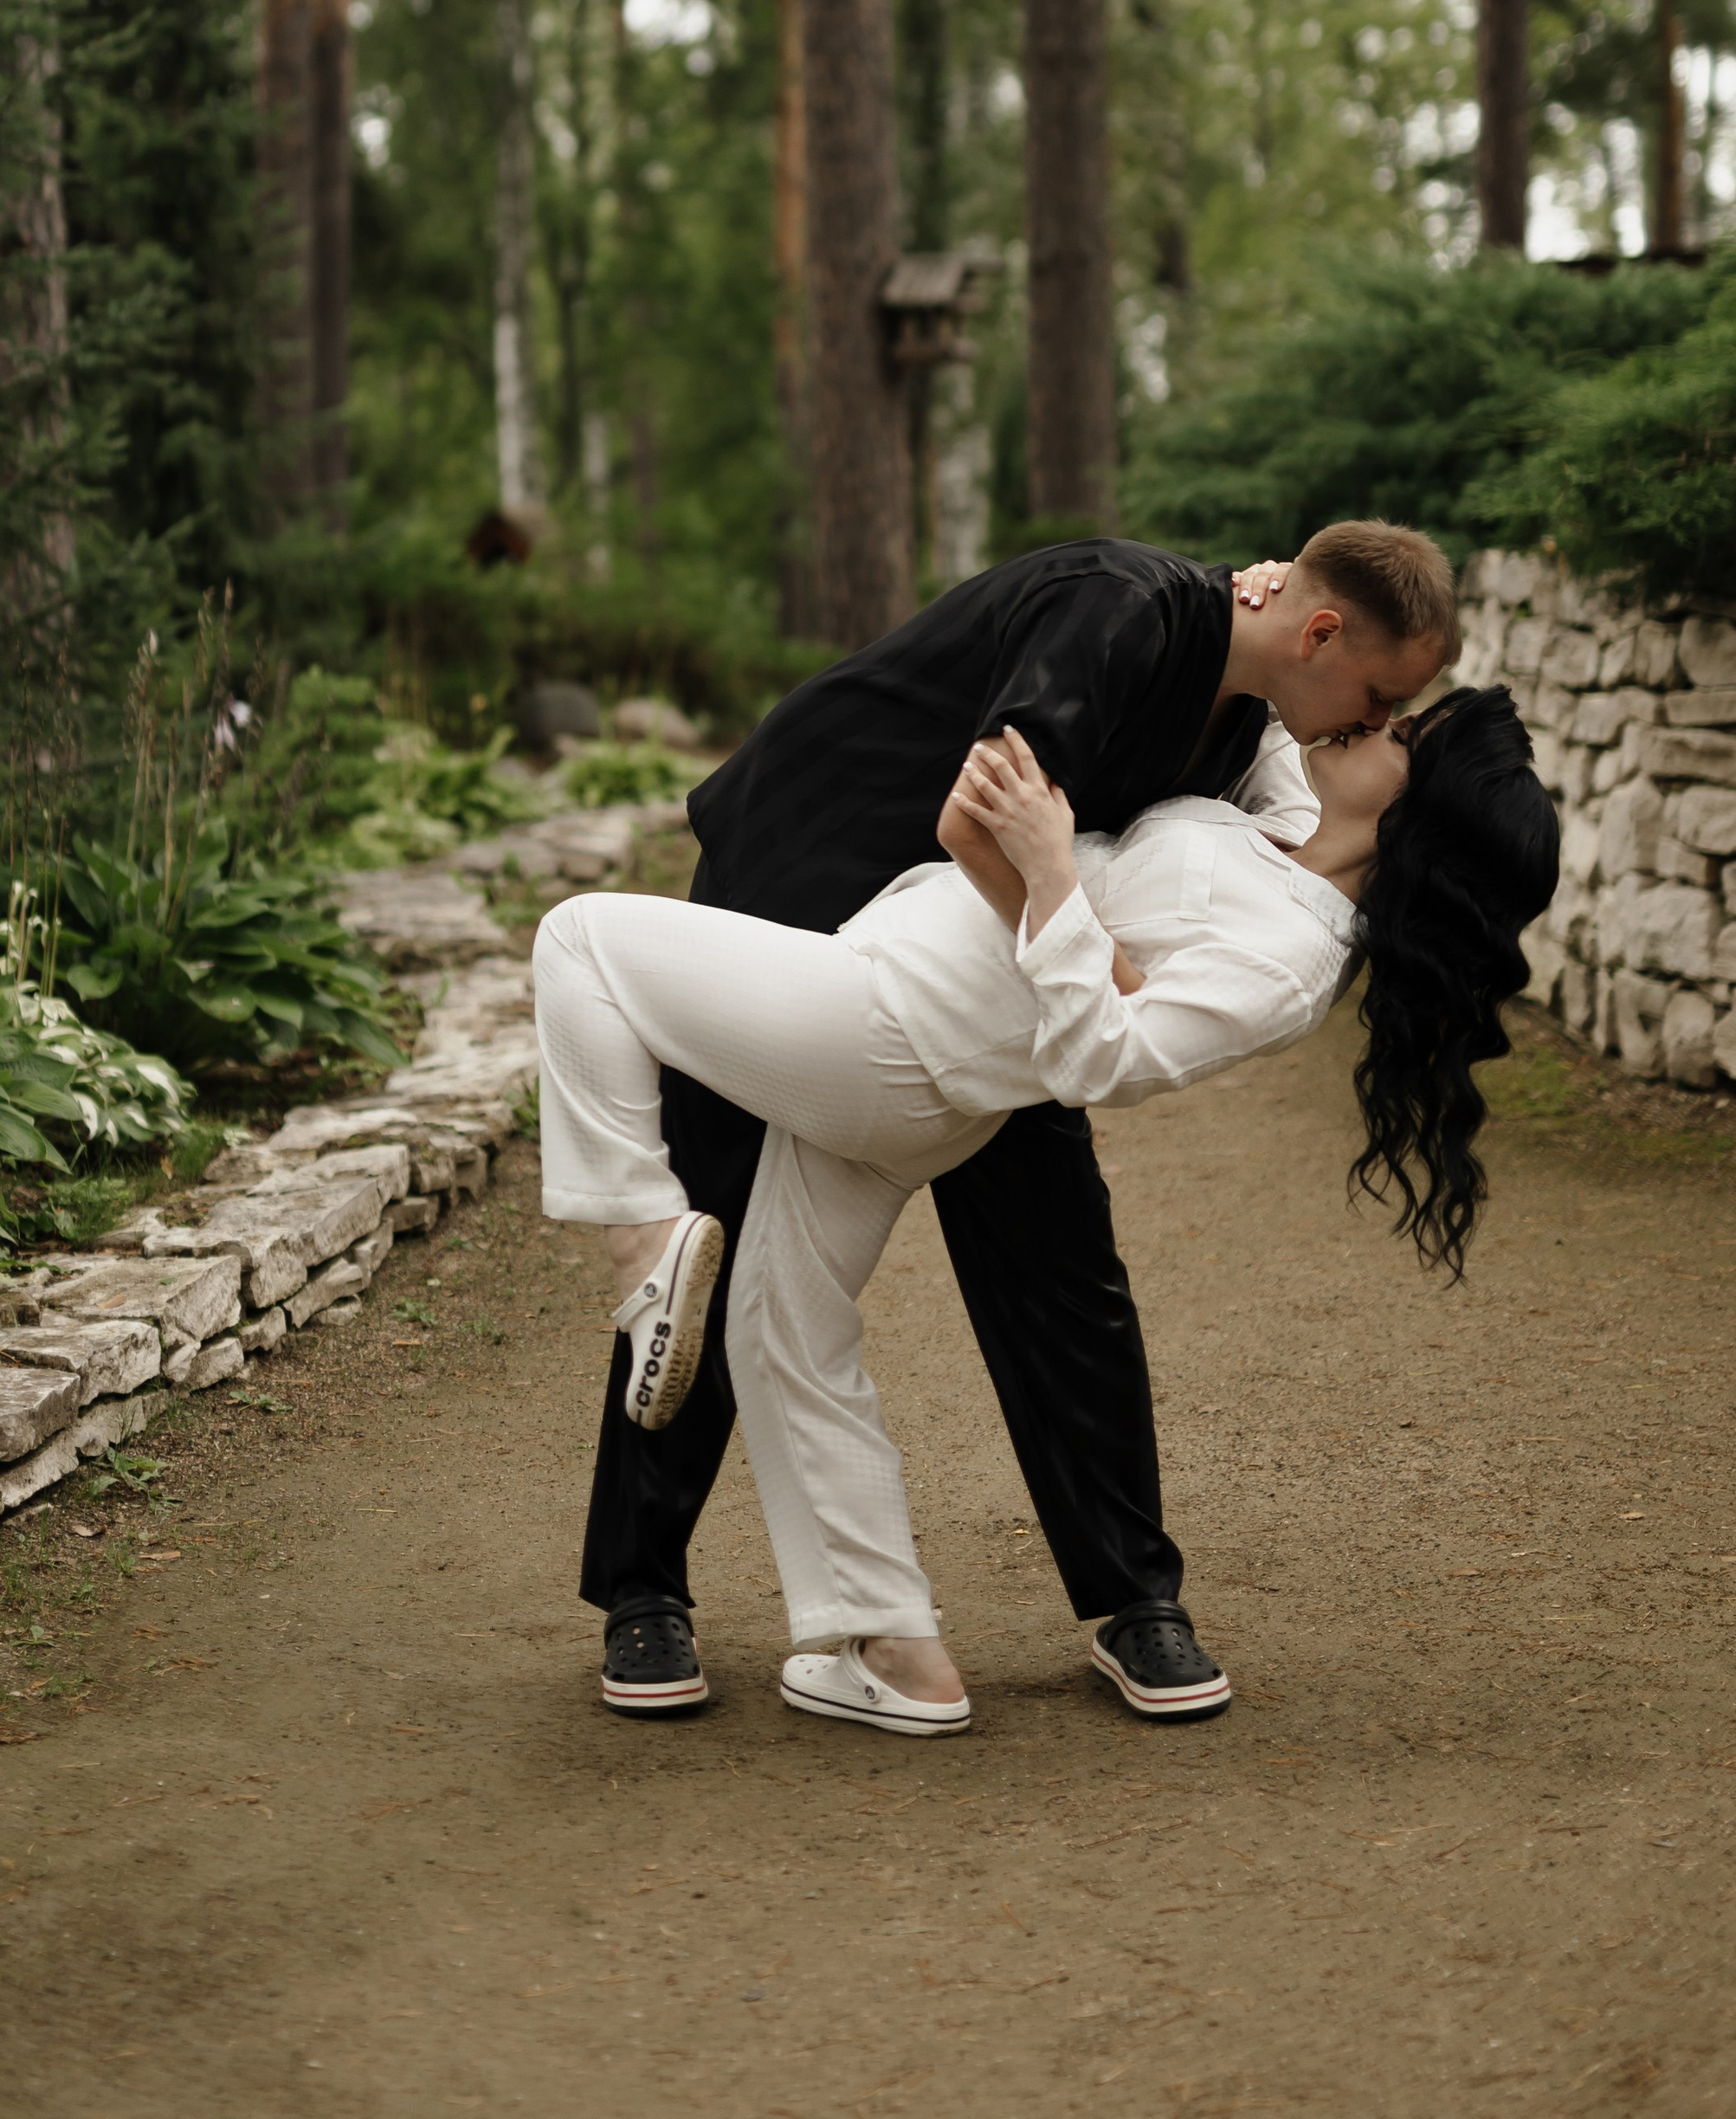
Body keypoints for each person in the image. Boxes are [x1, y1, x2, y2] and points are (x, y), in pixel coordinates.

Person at [536, 685, 1559, 1736]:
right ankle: (894, 1650)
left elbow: (1103, 1056)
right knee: (775, 1322)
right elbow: (1268, 689)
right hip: (922, 1061)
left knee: (580, 943)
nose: (1371, 719)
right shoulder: (1295, 816)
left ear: (1415, 815)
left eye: (1398, 734)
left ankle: (639, 1230)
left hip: (887, 1023)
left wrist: (1050, 864)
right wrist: (1255, 598)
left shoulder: (1287, 966)